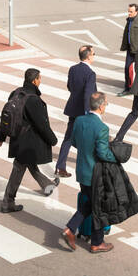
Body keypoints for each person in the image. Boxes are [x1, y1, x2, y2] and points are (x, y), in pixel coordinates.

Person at [60, 92, 116, 253]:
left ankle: (71, 229)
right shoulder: (102, 128)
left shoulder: (79, 120)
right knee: (97, 208)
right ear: (100, 106)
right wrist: (116, 157)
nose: (106, 106)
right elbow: (103, 153)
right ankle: (96, 242)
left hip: (82, 170)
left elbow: (75, 142)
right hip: (95, 173)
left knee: (88, 204)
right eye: (106, 104)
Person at [0, 68, 60, 212]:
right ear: (34, 81)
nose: (40, 80)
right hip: (28, 140)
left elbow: (7, 116)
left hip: (17, 138)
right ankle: (7, 202)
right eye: (39, 78)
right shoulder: (33, 100)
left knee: (29, 163)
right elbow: (41, 124)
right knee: (19, 167)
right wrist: (52, 139)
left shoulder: (16, 93)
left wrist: (1, 136)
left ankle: (48, 186)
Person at [55, 45, 97, 178]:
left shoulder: (73, 69)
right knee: (88, 140)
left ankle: (60, 167)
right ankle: (91, 167)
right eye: (94, 54)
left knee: (68, 139)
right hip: (83, 111)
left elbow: (70, 86)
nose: (94, 56)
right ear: (89, 56)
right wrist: (87, 113)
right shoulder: (90, 74)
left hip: (73, 108)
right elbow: (88, 94)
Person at [118, 3, 138, 95]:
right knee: (127, 69)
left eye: (131, 11)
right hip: (130, 49)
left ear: (137, 12)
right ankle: (128, 88)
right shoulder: (129, 20)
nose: (129, 13)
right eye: (128, 11)